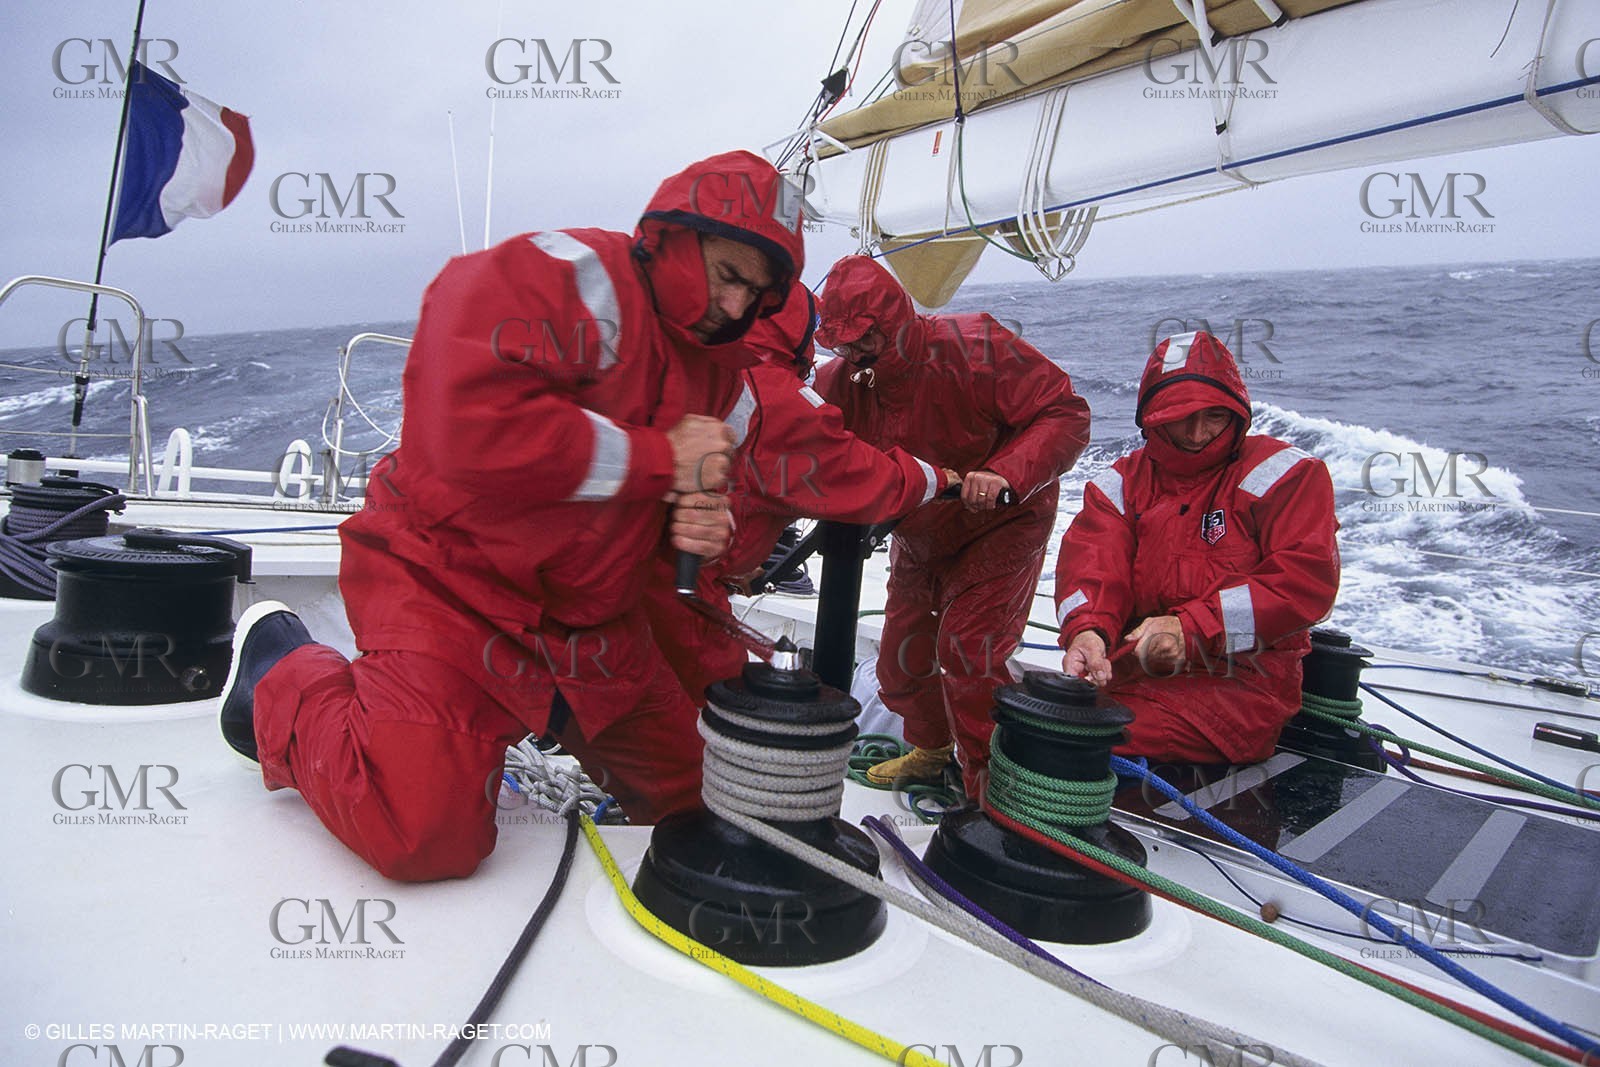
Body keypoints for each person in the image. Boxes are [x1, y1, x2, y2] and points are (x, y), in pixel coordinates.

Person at [218, 150, 807, 881]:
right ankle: (281, 674)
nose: (738, 307)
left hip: (590, 627)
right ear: (671, 237)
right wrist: (662, 460)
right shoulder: (571, 277)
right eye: (728, 275)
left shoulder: (725, 379)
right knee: (423, 836)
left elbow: (669, 514)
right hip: (452, 588)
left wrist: (698, 530)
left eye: (758, 294)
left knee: (708, 817)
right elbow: (464, 424)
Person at [812, 254, 1091, 795]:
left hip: (1002, 521)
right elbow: (790, 428)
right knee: (899, 662)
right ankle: (934, 749)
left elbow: (1065, 414)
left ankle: (994, 790)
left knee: (968, 651)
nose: (853, 353)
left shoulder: (975, 346)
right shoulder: (842, 381)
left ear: (894, 321)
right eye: (841, 344)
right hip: (920, 531)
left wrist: (1004, 473)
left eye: (865, 339)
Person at [642, 287, 960, 702]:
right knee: (712, 723)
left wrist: (734, 561)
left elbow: (735, 483)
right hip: (678, 590)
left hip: (655, 568)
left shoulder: (705, 367)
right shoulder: (774, 394)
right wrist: (938, 479)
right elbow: (858, 477)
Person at [1055, 330, 1340, 764]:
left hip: (1242, 689)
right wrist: (1087, 631)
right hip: (1129, 671)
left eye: (1214, 416)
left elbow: (1304, 583)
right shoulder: (1120, 484)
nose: (1197, 433)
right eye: (1180, 416)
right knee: (1032, 719)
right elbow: (1093, 565)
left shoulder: (1289, 476)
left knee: (1067, 738)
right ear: (1151, 416)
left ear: (1238, 413)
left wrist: (1190, 631)